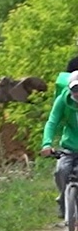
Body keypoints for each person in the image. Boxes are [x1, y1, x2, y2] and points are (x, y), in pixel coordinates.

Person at [41, 72, 78, 218]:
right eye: (75, 90)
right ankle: (64, 199)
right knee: (61, 171)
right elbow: (52, 122)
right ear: (69, 90)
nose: (77, 93)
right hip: (69, 147)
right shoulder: (63, 100)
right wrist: (47, 144)